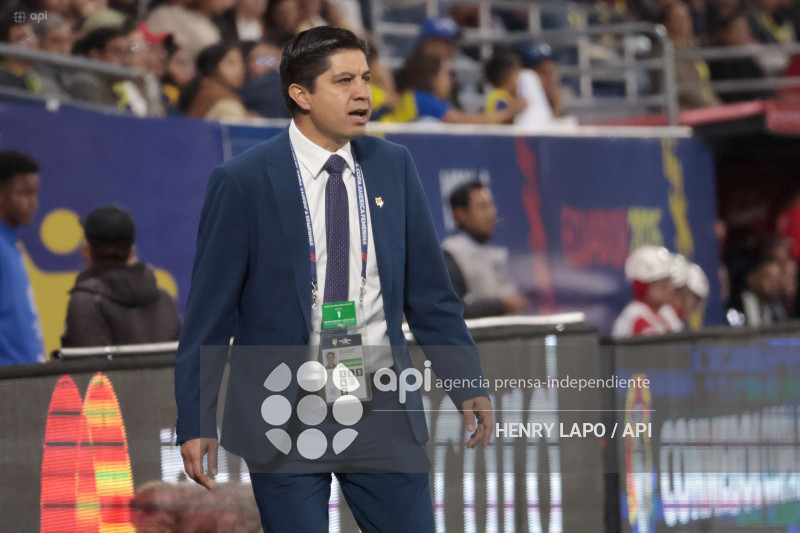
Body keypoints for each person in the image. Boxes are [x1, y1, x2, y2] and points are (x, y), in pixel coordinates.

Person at [174, 26, 492, 533]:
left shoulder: (394, 166)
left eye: (365, 78)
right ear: (300, 94)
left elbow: (432, 298)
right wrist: (195, 419)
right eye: (343, 81)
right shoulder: (242, 181)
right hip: (285, 409)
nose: (363, 93)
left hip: (383, 403)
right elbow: (208, 317)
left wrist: (466, 378)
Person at [61, 205, 181, 348]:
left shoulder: (83, 303)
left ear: (85, 249)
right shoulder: (165, 300)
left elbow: (88, 368)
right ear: (131, 251)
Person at [442, 181, 527, 318]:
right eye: (482, 207)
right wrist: (499, 305)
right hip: (475, 338)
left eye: (491, 205)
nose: (490, 213)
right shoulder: (451, 253)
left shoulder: (493, 251)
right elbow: (451, 309)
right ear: (460, 214)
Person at [389, 50, 523, 124]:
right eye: (447, 74)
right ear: (431, 78)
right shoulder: (424, 100)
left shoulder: (417, 97)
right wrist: (511, 111)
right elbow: (466, 122)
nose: (450, 80)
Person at [0, 151, 45, 365]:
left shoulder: (11, 246)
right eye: (24, 193)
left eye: (34, 193)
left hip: (24, 381)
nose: (32, 203)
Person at [612, 245, 676, 338]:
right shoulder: (636, 315)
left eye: (668, 282)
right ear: (642, 286)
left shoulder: (665, 312)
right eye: (661, 284)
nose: (668, 288)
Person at [179, 42, 250, 120]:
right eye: (231, 63)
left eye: (241, 62)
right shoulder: (220, 99)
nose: (240, 69)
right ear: (212, 66)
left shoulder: (202, 86)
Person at [484, 50, 522, 123]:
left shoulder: (497, 95)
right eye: (517, 74)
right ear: (509, 76)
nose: (520, 80)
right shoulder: (499, 97)